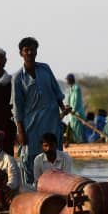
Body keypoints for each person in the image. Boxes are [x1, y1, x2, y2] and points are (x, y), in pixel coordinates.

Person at [13, 36, 70, 185]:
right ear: (21, 53)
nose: (30, 53)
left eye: (33, 49)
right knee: (30, 158)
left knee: (55, 154)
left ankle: (59, 186)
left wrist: (63, 107)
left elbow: (56, 91)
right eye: (27, 50)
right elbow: (17, 108)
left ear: (36, 52)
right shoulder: (18, 78)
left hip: (51, 120)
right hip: (31, 126)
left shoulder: (45, 68)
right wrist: (21, 132)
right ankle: (32, 190)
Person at [64, 73, 85, 143]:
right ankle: (75, 141)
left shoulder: (76, 88)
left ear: (70, 80)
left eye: (67, 80)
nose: (66, 81)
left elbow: (76, 100)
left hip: (77, 112)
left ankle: (79, 142)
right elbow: (69, 99)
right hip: (72, 113)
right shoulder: (70, 88)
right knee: (73, 128)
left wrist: (73, 109)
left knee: (77, 128)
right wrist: (67, 106)